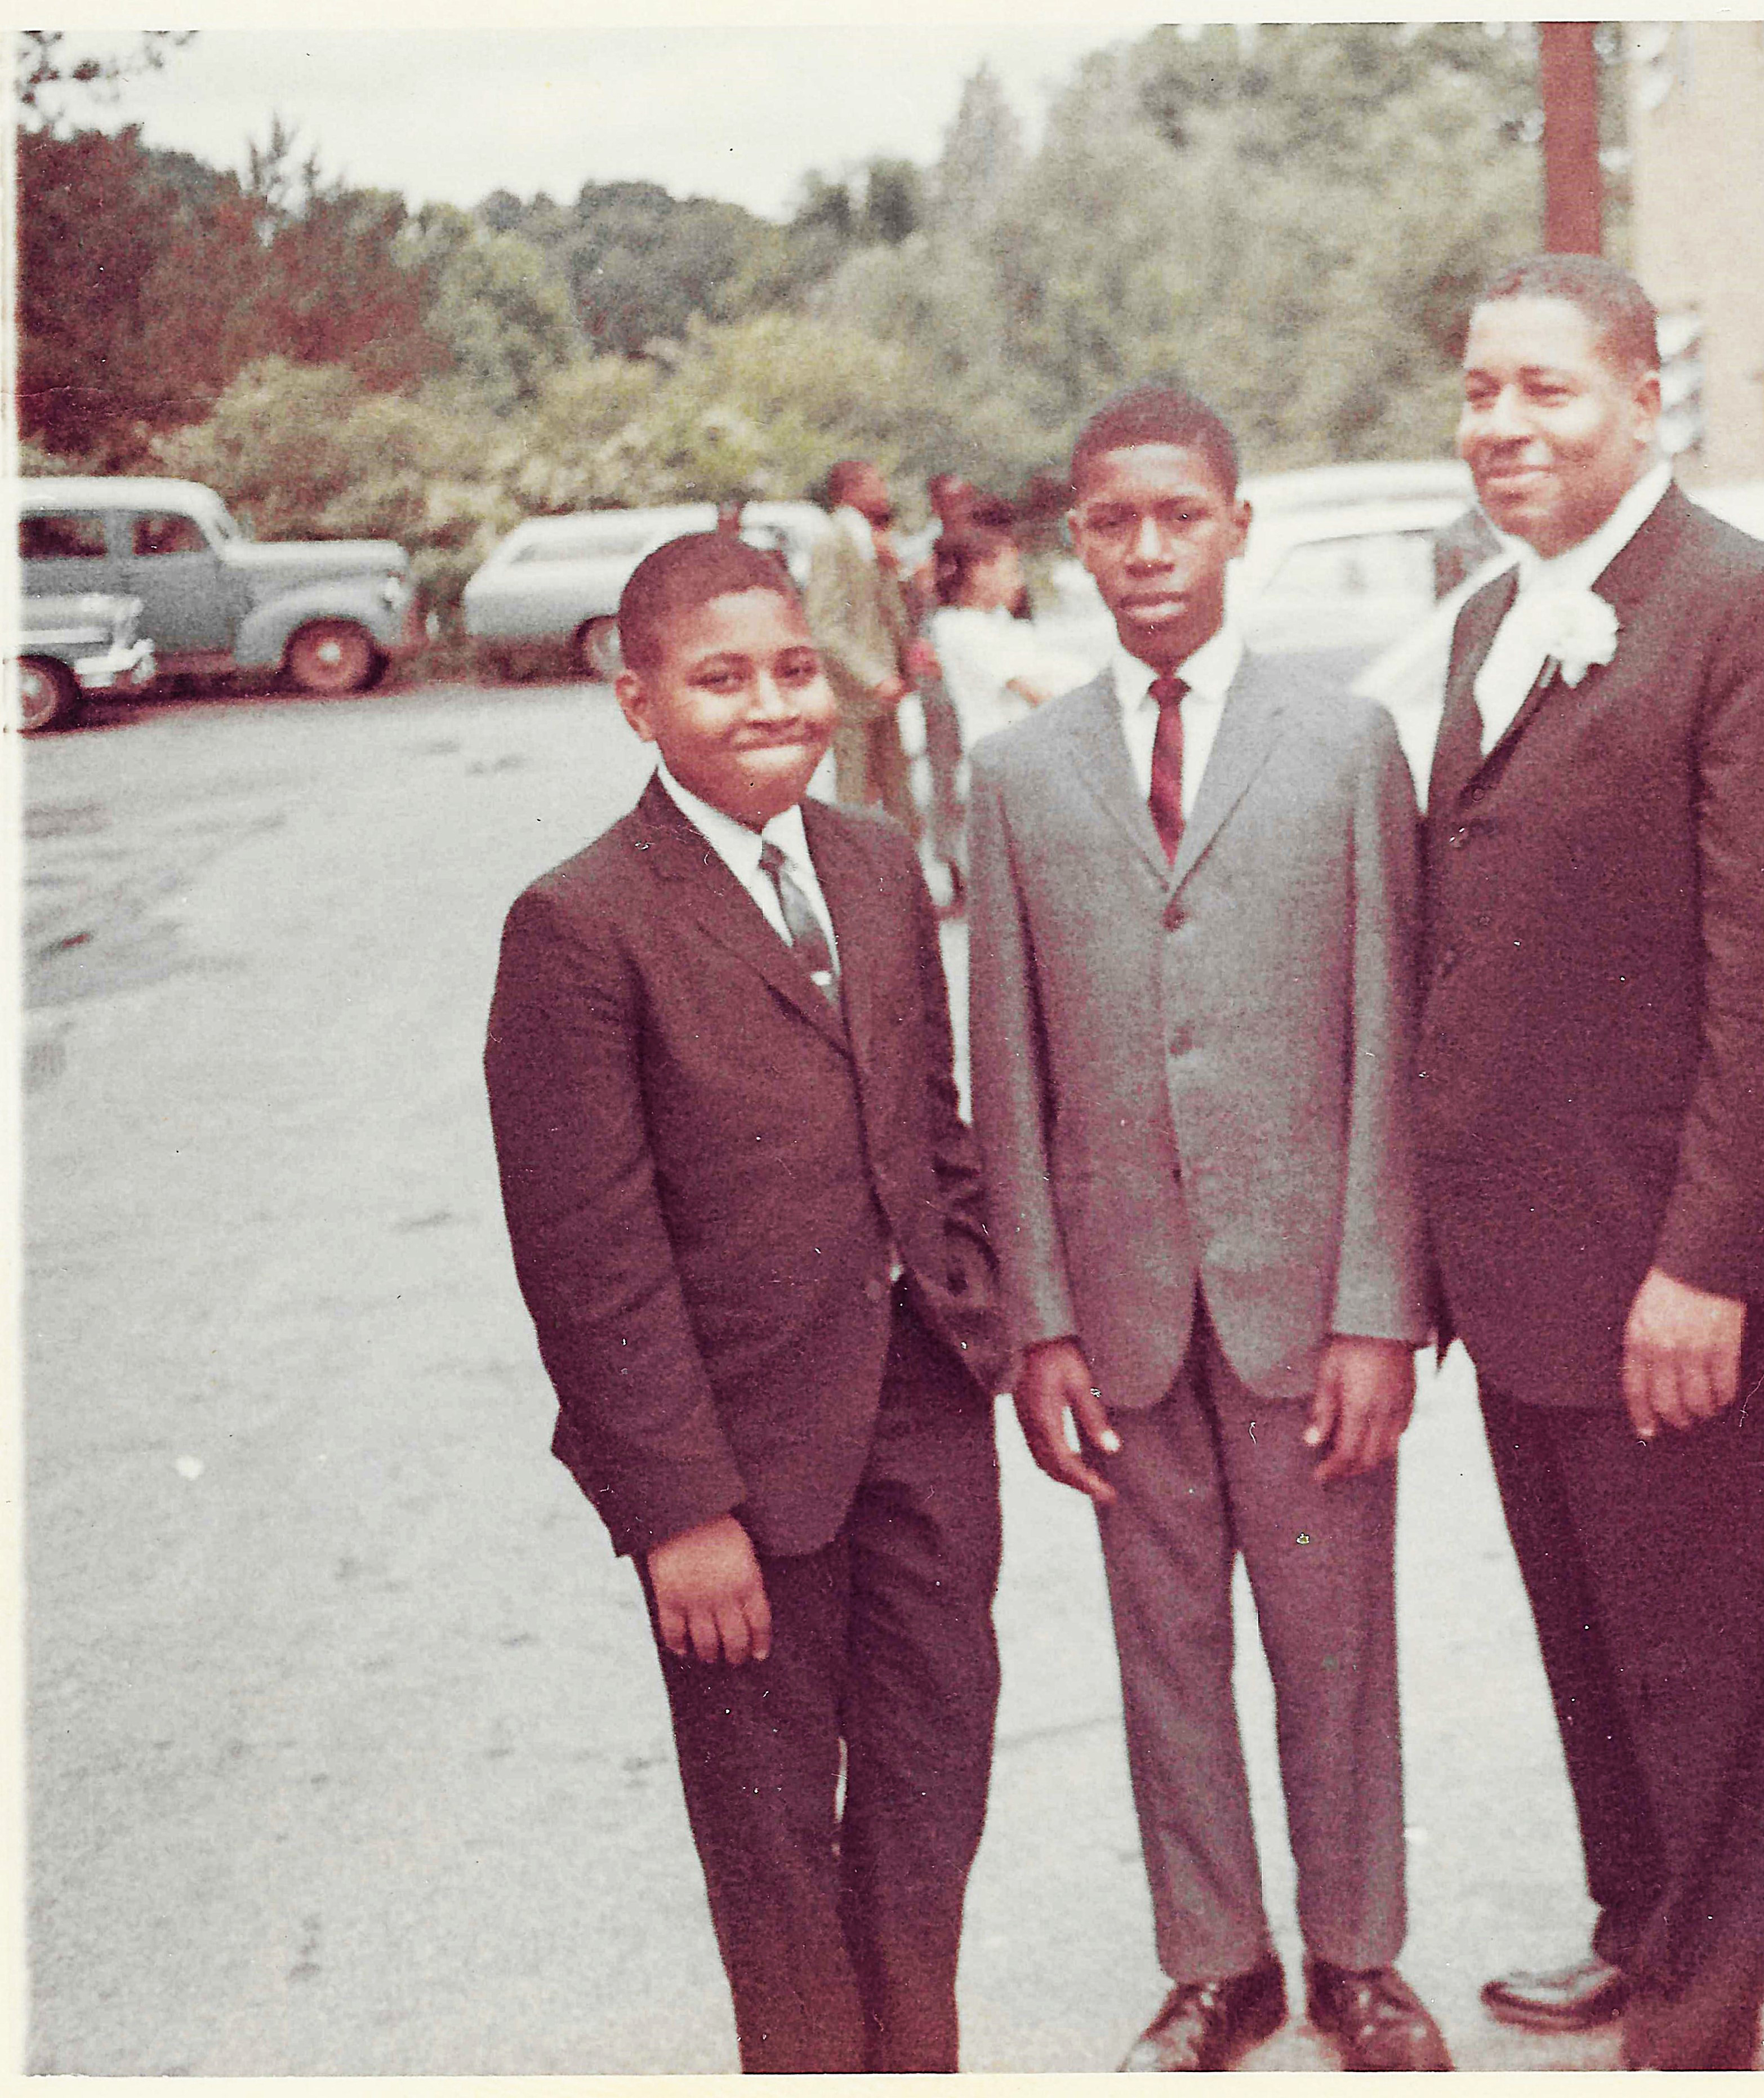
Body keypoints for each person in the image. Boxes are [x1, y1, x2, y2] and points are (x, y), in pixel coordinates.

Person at [1418, 254, 1764, 2073]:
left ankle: (1706, 1991)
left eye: (1546, 391)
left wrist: (1708, 1257)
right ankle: (1639, 1923)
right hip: (1529, 1268)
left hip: (1680, 1270)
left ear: (1641, 400)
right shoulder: (1488, 619)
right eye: (1477, 393)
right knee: (1599, 1648)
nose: (1503, 426)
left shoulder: (1758, 613)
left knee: (1707, 1659)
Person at [961, 386, 1449, 2074]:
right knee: (1158, 1648)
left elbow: (1389, 1037)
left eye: (1180, 513)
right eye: (1112, 520)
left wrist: (1380, 1302)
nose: (1148, 548)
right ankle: (1215, 1956)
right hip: (1122, 1309)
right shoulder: (1017, 776)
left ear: (1242, 526)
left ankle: (1359, 1954)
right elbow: (1003, 1070)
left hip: (1308, 1303)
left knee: (1336, 1645)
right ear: (1072, 541)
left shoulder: (1343, 745)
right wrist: (1038, 1319)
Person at [483, 533, 1010, 2072]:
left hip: (918, 1412)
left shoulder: (873, 864)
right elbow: (587, 1254)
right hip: (737, 1470)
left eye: (792, 669)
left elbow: (934, 1125)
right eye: (720, 679)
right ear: (636, 699)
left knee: (930, 1792)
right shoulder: (581, 924)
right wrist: (676, 1508)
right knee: (776, 1849)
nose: (771, 703)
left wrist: (968, 1309)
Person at [804, 458, 921, 836]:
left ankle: (908, 880)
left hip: (885, 687)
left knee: (899, 791)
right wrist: (873, 677)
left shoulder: (869, 537)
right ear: (851, 490)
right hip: (856, 694)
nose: (885, 492)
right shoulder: (833, 541)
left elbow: (884, 612)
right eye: (877, 483)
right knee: (854, 793)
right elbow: (824, 626)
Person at [927, 522, 1089, 778]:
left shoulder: (1001, 622)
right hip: (1002, 762)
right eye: (1012, 572)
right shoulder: (961, 628)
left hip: (1027, 755)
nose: (1020, 582)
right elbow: (1034, 692)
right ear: (978, 573)